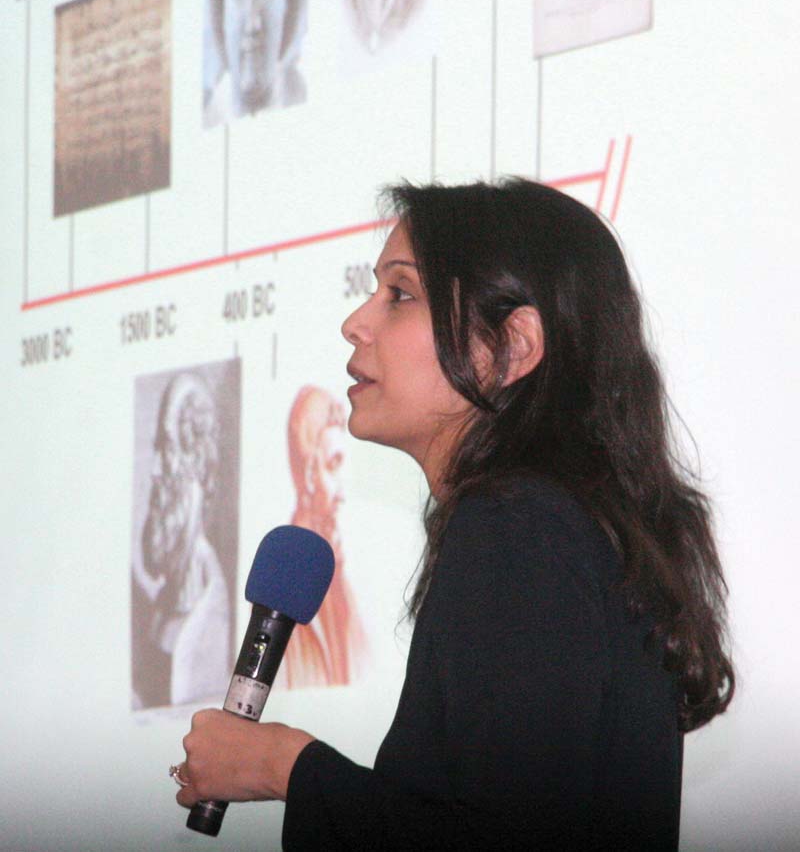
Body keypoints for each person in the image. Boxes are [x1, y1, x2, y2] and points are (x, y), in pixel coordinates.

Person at [174, 179, 734, 850]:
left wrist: (283, 764)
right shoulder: (556, 528)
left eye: (400, 294)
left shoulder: (518, 527)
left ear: (512, 347)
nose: (356, 321)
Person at [132, 372, 231, 709]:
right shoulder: (161, 608)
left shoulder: (210, 612)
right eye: (158, 450)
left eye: (169, 450)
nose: (156, 471)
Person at [282, 385, 368, 688]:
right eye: (332, 466)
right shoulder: (279, 587)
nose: (342, 493)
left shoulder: (340, 579)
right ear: (306, 474)